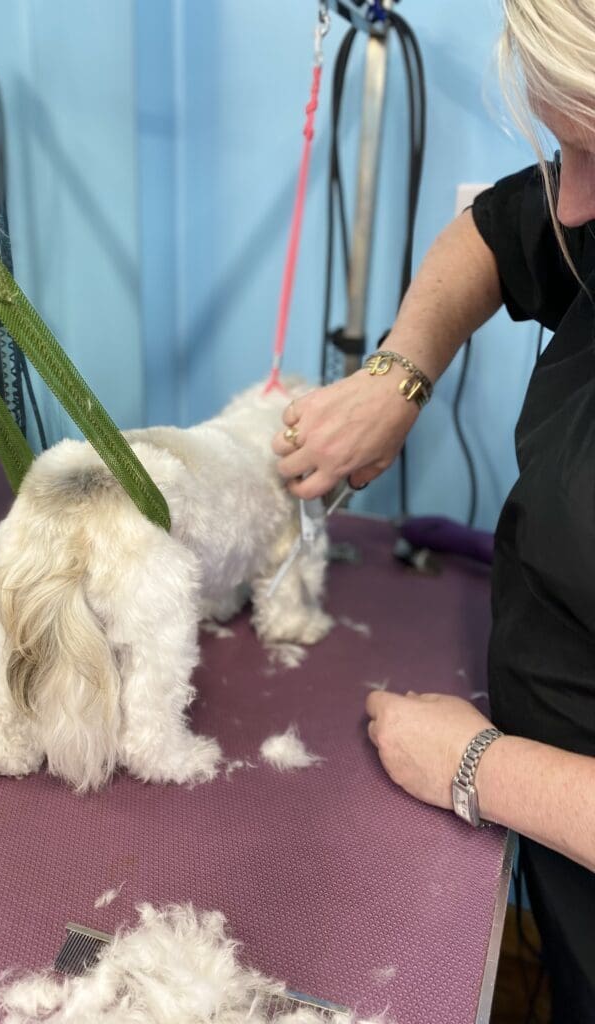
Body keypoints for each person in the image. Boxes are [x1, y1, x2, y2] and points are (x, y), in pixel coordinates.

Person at [272, 1, 595, 1020]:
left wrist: (476, 767)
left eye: (590, 151)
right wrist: (398, 373)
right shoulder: (584, 212)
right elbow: (498, 228)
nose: (571, 202)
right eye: (560, 148)